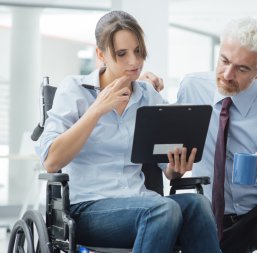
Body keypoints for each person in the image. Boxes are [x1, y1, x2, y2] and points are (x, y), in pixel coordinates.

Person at [36, 10, 220, 253]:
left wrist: (175, 168)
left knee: (197, 204)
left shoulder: (148, 96)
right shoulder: (75, 90)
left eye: (138, 51)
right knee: (164, 210)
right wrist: (97, 109)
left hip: (142, 202)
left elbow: (167, 170)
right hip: (88, 208)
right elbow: (51, 161)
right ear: (101, 54)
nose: (134, 62)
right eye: (122, 54)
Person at [141, 17, 257, 253]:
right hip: (206, 212)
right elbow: (165, 136)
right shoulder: (193, 87)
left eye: (242, 68)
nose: (227, 74)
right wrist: (142, 86)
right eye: (224, 61)